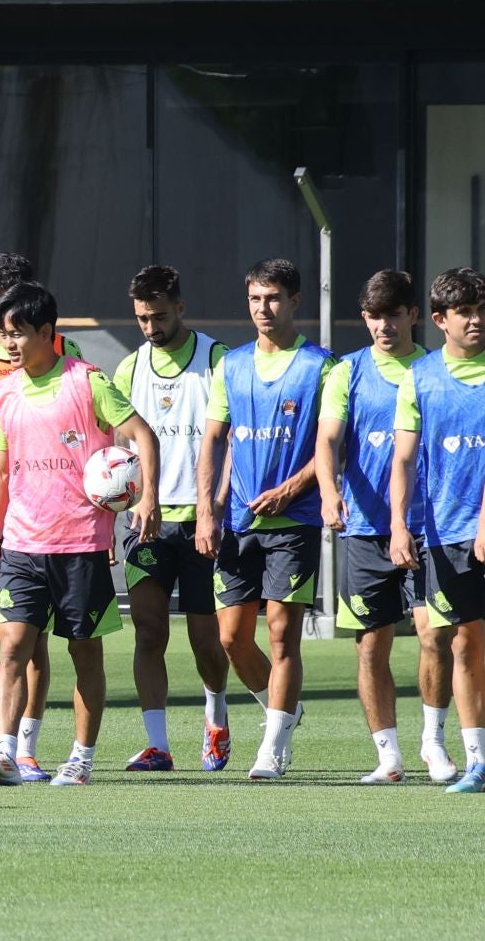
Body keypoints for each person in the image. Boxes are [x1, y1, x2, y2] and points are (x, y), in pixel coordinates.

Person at [0, 282, 160, 787]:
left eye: (19, 333)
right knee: (12, 646)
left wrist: (149, 498)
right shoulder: (5, 392)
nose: (10, 343)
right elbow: (1, 473)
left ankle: (81, 757)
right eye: (3, 333)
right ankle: (7, 754)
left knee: (83, 652)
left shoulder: (87, 381)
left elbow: (142, 434)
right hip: (21, 545)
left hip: (80, 546)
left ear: (47, 333)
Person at [195, 258, 332, 781]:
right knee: (231, 638)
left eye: (272, 298)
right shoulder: (230, 365)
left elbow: (332, 446)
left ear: (295, 301)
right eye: (255, 298)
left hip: (294, 521)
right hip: (238, 525)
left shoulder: (320, 365)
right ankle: (284, 709)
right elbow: (212, 440)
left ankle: (272, 748)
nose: (262, 308)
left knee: (281, 636)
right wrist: (207, 511)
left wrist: (293, 488)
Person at [317, 269, 456, 782]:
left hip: (428, 527)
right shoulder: (346, 373)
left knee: (431, 635)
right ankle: (388, 756)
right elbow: (328, 441)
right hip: (364, 530)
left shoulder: (436, 370)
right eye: (375, 317)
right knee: (371, 644)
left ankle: (433, 744)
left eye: (393, 315)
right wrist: (330, 494)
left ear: (414, 316)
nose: (384, 326)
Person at [0, 254, 86, 780]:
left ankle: (26, 746)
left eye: (15, 318)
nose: (6, 330)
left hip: (53, 516)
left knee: (36, 643)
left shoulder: (68, 358)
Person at [113, 265, 232, 773]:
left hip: (200, 522)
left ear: (180, 308)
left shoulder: (216, 359)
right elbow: (118, 447)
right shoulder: (129, 368)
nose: (150, 326)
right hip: (146, 523)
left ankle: (216, 714)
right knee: (147, 631)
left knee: (206, 640)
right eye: (142, 317)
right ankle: (158, 744)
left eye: (159, 315)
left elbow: (230, 440)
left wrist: (217, 507)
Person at [390, 267, 485, 794]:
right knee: (464, 644)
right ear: (439, 320)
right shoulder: (420, 378)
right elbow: (403, 460)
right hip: (447, 533)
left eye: (481, 310)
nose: (475, 320)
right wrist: (400, 526)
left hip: (479, 528)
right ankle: (478, 761)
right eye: (464, 312)